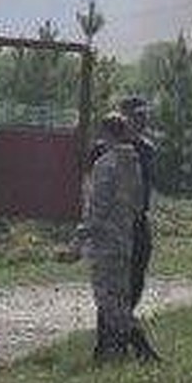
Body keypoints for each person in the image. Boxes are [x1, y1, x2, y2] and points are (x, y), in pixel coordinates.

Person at [78, 112, 142, 360]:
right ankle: (116, 351)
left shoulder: (106, 165)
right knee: (120, 295)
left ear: (105, 134)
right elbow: (137, 204)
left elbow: (98, 208)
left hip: (105, 241)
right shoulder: (133, 164)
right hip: (125, 238)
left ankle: (138, 341)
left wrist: (79, 239)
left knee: (107, 300)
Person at [120, 95, 156, 312]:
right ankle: (112, 330)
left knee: (137, 274)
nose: (143, 121)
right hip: (117, 220)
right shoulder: (107, 147)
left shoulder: (147, 149)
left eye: (144, 116)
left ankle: (126, 320)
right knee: (114, 280)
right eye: (137, 116)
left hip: (139, 219)